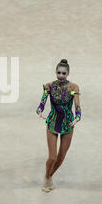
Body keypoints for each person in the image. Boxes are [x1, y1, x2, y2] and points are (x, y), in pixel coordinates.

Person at [36, 59, 82, 192]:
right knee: (52, 157)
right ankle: (47, 175)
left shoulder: (73, 88)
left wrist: (78, 117)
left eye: (64, 73)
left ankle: (49, 176)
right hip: (53, 122)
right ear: (55, 72)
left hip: (68, 123)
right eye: (58, 73)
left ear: (68, 73)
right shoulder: (49, 86)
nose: (61, 75)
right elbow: (42, 101)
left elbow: (77, 106)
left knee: (61, 156)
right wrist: (39, 110)